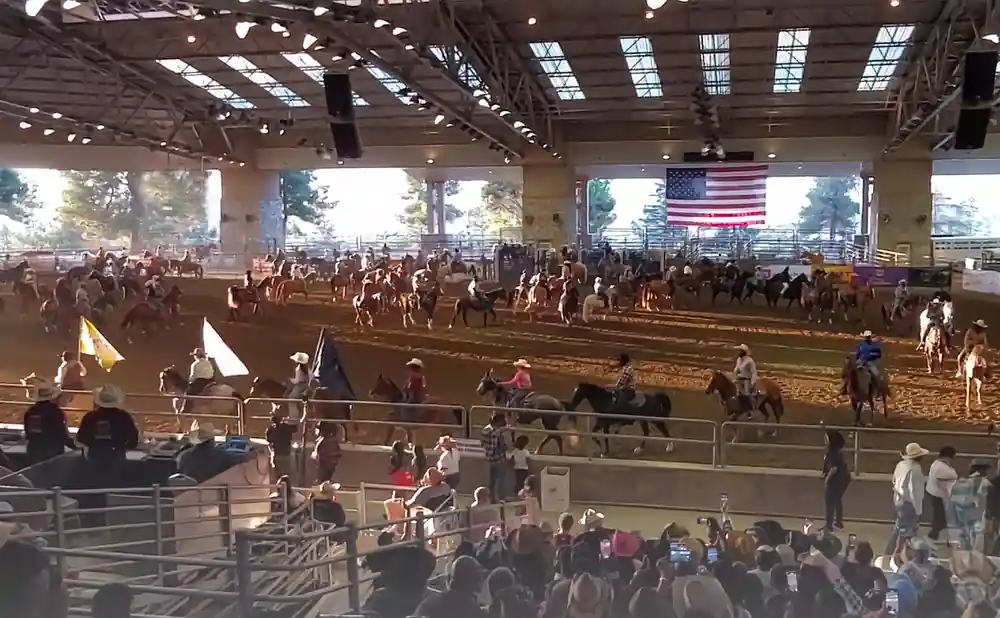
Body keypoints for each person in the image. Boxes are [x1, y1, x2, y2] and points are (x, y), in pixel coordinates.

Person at [76, 385, 139, 481]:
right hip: (116, 453)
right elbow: (133, 436)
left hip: (95, 453)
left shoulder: (90, 416)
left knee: (94, 479)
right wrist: (125, 447)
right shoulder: (123, 416)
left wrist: (91, 445)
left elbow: (81, 437)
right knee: (114, 480)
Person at [887, 442, 929, 557]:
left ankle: (891, 551)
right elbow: (915, 491)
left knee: (899, 527)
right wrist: (918, 510)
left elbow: (894, 480)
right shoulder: (915, 470)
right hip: (909, 503)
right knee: (906, 531)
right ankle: (897, 553)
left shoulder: (901, 465)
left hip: (898, 499)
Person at [22, 381, 75, 465]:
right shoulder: (56, 412)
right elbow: (61, 434)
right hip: (51, 451)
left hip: (33, 449)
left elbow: (28, 433)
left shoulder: (30, 412)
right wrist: (74, 446)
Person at [926, 446, 958, 541]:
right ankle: (931, 539)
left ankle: (934, 538)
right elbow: (952, 479)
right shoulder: (943, 469)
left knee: (940, 521)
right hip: (940, 497)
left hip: (935, 494)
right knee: (940, 522)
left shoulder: (936, 464)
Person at [822, 429, 851, 531]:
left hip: (836, 480)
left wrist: (827, 480)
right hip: (843, 479)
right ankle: (838, 522)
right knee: (837, 500)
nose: (825, 440)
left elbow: (834, 468)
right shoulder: (838, 453)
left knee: (829, 501)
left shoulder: (832, 454)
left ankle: (828, 525)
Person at [481, 412, 508, 500]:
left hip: (497, 458)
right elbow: (494, 440)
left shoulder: (491, 430)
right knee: (496, 480)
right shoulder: (489, 430)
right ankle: (496, 498)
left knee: (498, 480)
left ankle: (497, 498)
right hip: (494, 459)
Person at [182, 348, 215, 415]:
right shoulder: (208, 362)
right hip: (211, 380)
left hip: (200, 382)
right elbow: (212, 372)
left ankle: (186, 410)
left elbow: (193, 376)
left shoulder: (195, 364)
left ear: (196, 356)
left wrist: (190, 381)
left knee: (188, 392)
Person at [265, 413, 296, 483]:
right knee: (287, 474)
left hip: (277, 454)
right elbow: (297, 426)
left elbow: (268, 439)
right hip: (286, 454)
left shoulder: (271, 429)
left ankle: (279, 486)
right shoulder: (287, 427)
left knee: (278, 474)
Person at [285, 352, 311, 420]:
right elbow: (311, 377)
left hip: (300, 386)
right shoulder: (307, 368)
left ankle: (294, 416)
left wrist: (290, 380)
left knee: (291, 398)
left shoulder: (298, 369)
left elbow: (297, 381)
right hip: (307, 385)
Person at [733, 344, 758, 412]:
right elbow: (736, 369)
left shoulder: (750, 361)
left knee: (747, 395)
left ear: (744, 352)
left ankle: (752, 409)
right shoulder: (738, 360)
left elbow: (754, 372)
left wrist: (752, 383)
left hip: (746, 380)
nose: (739, 352)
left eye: (740, 351)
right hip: (738, 379)